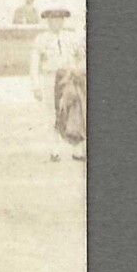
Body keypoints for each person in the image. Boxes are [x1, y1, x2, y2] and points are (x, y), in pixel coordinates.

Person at [30, 8, 86, 161]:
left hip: (69, 78)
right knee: (52, 113)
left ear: (63, 20)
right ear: (48, 21)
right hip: (51, 77)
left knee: (75, 111)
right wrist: (35, 86)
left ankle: (77, 149)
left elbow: (81, 56)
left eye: (59, 19)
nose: (56, 22)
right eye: (53, 19)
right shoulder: (41, 39)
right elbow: (34, 64)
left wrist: (78, 71)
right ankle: (54, 150)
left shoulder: (72, 37)